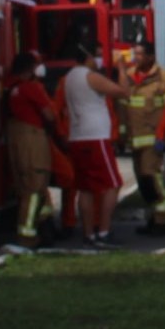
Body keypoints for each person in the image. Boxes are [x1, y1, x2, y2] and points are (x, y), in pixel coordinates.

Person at [58, 43, 131, 248]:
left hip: (77, 136)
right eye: (97, 55)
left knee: (86, 188)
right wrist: (122, 70)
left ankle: (88, 233)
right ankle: (104, 231)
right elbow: (123, 92)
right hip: (95, 137)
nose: (99, 60)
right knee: (113, 184)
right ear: (87, 56)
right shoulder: (90, 76)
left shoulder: (70, 77)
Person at [2, 51, 58, 248]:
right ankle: (28, 236)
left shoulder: (9, 87)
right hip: (33, 140)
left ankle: (44, 225)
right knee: (35, 187)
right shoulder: (32, 88)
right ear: (31, 69)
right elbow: (49, 115)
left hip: (15, 141)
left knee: (29, 187)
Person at [121, 43, 165, 236]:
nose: (136, 57)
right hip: (134, 139)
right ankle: (153, 217)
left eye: (140, 54)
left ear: (151, 56)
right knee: (143, 181)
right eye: (135, 54)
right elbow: (122, 106)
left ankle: (163, 219)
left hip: (154, 138)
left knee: (151, 177)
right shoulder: (129, 75)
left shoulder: (163, 77)